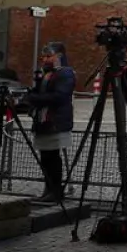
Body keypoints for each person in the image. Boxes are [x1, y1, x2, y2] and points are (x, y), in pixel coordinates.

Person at [26, 43, 75, 204]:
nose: (45, 59)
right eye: (44, 56)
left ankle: (55, 191)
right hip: (43, 120)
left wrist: (35, 99)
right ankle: (48, 189)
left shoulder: (65, 73)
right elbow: (39, 91)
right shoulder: (45, 73)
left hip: (55, 120)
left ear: (58, 56)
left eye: (49, 56)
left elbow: (60, 96)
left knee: (53, 158)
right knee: (46, 158)